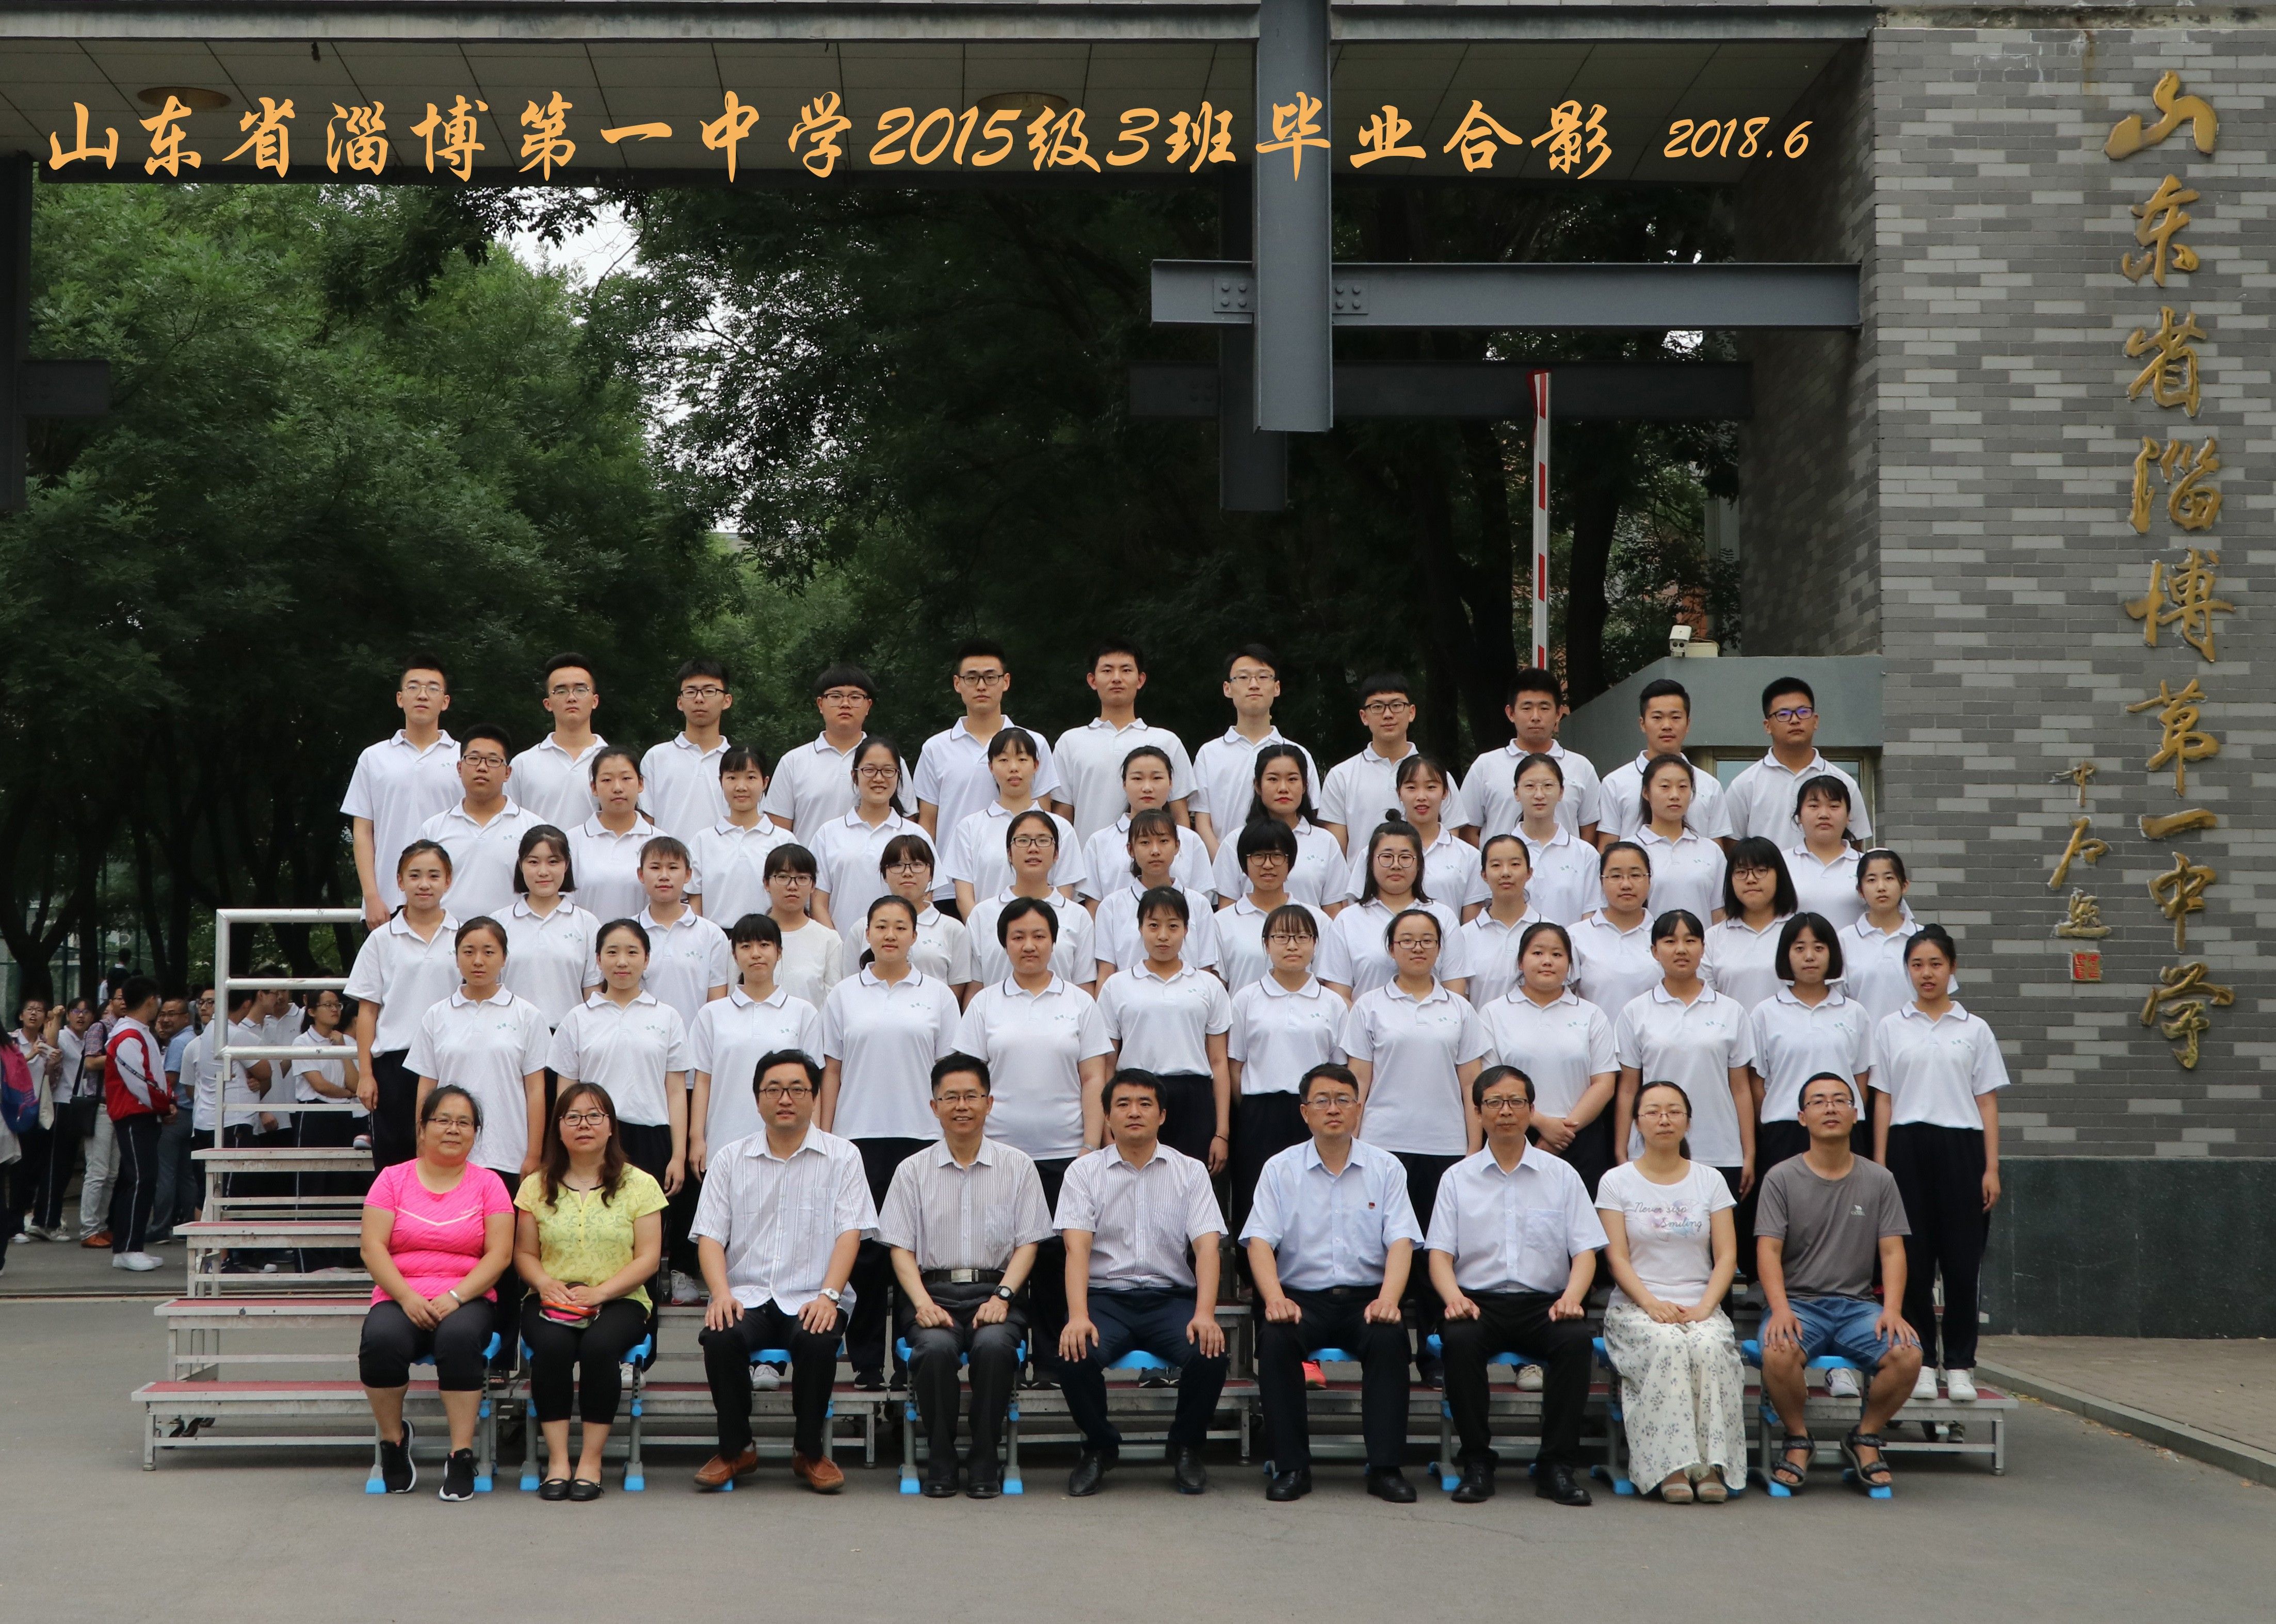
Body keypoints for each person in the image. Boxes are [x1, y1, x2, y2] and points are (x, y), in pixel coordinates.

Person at [691, 1049, 874, 1494]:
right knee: (720, 1335)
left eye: (796, 1089)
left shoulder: (843, 1157)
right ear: (757, 1099)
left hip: (813, 1292)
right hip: (747, 1292)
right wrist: (720, 1293)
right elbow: (710, 1236)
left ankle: (808, 1452)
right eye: (773, 1089)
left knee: (818, 1338)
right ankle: (736, 1448)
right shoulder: (730, 1158)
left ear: (814, 1096)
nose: (785, 1098)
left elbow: (850, 1233)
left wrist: (829, 1295)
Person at [1243, 1062, 1422, 1502]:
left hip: (1366, 1297)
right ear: (1304, 1112)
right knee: (1277, 1339)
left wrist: (1389, 1299)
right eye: (1321, 1100)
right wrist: (1274, 1298)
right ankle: (1291, 1467)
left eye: (1343, 1099)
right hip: (1301, 1298)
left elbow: (1402, 1240)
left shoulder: (1386, 1167)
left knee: (1388, 1339)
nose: (1333, 1108)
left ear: (1358, 1108)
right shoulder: (1280, 1169)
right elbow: (1259, 1241)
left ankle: (1385, 1467)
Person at [1428, 1066, 1606, 1505]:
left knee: (1574, 1341)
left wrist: (1572, 1298)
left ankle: (1556, 1466)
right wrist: (1453, 1298)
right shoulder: (1457, 1178)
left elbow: (1585, 1251)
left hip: (1546, 1303)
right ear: (1477, 1112)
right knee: (1459, 1339)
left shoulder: (1561, 1175)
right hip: (1478, 1301)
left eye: (1515, 1101)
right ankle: (1476, 1462)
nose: (1505, 1111)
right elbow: (1439, 1255)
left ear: (1531, 1109)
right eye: (1494, 1102)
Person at [881, 1054, 1055, 1498]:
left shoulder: (1018, 1166)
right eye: (951, 1097)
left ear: (989, 1102)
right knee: (935, 1349)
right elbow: (900, 1248)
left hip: (995, 1290)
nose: (962, 1106)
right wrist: (922, 1303)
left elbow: (1028, 1243)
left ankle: (984, 1455)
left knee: (995, 1346)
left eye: (971, 1096)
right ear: (934, 1106)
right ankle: (939, 1457)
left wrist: (1003, 1295)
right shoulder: (911, 1171)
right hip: (932, 1290)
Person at [1054, 1070, 1231, 1496]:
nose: (1134, 1112)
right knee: (1074, 1353)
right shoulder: (1083, 1172)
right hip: (1105, 1299)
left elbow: (1207, 1248)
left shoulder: (1189, 1171)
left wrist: (1205, 1313)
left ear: (1162, 1115)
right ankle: (1099, 1447)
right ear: (1107, 1116)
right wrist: (1077, 1315)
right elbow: (1076, 1249)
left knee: (1209, 1352)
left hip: (1169, 1299)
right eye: (1122, 1104)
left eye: (1145, 1103)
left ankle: (1185, 1446)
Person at [954, 896, 1111, 1372]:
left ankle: (1049, 1362)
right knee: (1001, 1257)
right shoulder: (984, 1004)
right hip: (998, 1155)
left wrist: (1090, 1146)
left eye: (1039, 935)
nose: (1029, 945)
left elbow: (1093, 1078)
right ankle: (999, 1360)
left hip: (1065, 1154)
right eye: (1018, 936)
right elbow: (968, 1080)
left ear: (1054, 941)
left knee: (1054, 1260)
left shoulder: (1079, 1002)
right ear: (1003, 943)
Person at [818, 895, 962, 1388]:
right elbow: (831, 1071)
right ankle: (865, 1364)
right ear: (867, 933)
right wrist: (828, 1135)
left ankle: (909, 1361)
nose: (890, 934)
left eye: (900, 926)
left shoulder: (938, 995)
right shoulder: (844, 995)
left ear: (915, 935)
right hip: (857, 1137)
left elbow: (948, 1073)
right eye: (881, 925)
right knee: (863, 1252)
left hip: (921, 1137)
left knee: (912, 1251)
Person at [1755, 1074, 1922, 1494]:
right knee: (1777, 1351)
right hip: (1799, 1304)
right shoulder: (1780, 1177)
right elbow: (1768, 1251)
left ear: (1854, 1112)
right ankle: (1797, 1438)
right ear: (1801, 1116)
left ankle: (1865, 1435)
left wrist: (1892, 1310)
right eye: (1818, 1101)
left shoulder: (1879, 1179)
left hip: (1857, 1307)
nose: (1829, 1108)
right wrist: (1780, 1309)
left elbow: (1892, 1251)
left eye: (1839, 1100)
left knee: (1907, 1353)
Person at [1343, 907, 1489, 1379]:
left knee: (1434, 1254)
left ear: (1440, 949)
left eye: (1426, 939)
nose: (1417, 947)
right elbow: (1358, 1082)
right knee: (1379, 1248)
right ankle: (1376, 1348)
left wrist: (1473, 1150)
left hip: (1444, 1146)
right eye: (1406, 939)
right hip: (1381, 1144)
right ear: (1391, 948)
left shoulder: (1459, 1009)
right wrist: (1351, 1143)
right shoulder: (1369, 1006)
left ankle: (1433, 1354)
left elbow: (1472, 1085)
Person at [359, 1085, 515, 1500]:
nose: (453, 1129)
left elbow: (499, 1254)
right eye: (443, 1120)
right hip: (400, 1294)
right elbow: (372, 1247)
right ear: (422, 1128)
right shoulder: (392, 1179)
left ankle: (461, 1454)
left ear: (475, 1133)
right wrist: (407, 1297)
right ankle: (393, 1442)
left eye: (464, 1122)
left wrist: (457, 1296)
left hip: (467, 1296)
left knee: (459, 1338)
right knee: (381, 1340)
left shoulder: (490, 1184)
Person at [514, 1082, 667, 1501]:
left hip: (620, 1298)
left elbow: (648, 1258)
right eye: (573, 1117)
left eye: (595, 1116)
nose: (584, 1125)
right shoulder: (535, 1186)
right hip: (551, 1297)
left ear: (611, 1126)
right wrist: (545, 1283)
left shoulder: (640, 1184)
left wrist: (601, 1293)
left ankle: (591, 1460)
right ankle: (558, 1460)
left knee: (600, 1346)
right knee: (551, 1346)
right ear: (559, 1128)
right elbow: (524, 1253)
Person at [1871, 925, 2005, 1404]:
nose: (1926, 973)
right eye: (1916, 965)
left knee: (1962, 1263)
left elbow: (1986, 1102)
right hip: (1906, 1148)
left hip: (1962, 1149)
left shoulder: (1974, 1028)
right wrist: (1881, 1164)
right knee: (1912, 1262)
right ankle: (1923, 1361)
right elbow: (1883, 1099)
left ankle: (1961, 1364)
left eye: (1935, 964)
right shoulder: (1890, 1027)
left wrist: (1990, 1168)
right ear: (1906, 970)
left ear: (1952, 968)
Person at [1595, 1080, 1746, 1503]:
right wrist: (1650, 1303)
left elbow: (1727, 1255)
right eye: (1653, 1111)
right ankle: (1670, 1466)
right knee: (1667, 1345)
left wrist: (1705, 1306)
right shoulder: (1616, 1181)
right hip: (1636, 1306)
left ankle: (1710, 1465)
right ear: (1637, 1121)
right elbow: (1616, 1258)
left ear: (1688, 1121)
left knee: (1709, 1346)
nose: (1664, 1119)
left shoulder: (1710, 1180)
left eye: (1674, 1111)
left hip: (1699, 1302)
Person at [407, 918, 552, 1356]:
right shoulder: (437, 1015)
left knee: (504, 1260)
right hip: (449, 1159)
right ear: (456, 958)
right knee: (452, 1252)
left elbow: (536, 1089)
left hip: (506, 1155)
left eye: (489, 951)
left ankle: (504, 1356)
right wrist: (422, 1145)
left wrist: (533, 1153)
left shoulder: (526, 1015)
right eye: (468, 951)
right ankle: (454, 1347)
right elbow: (426, 1086)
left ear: (504, 957)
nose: (478, 960)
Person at [548, 920, 688, 1294]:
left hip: (651, 1137)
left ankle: (641, 1322)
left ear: (647, 959)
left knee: (644, 1240)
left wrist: (678, 1154)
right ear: (598, 959)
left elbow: (676, 1090)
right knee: (596, 1230)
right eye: (612, 952)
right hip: (591, 1137)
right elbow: (565, 1092)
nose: (622, 961)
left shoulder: (667, 1016)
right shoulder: (578, 1018)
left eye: (632, 952)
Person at [1613, 911, 1756, 1219]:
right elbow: (1628, 1089)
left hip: (1720, 1150)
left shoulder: (1731, 1011)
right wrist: (1622, 1150)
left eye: (1690, 941)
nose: (1681, 949)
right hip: (1652, 1149)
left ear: (1703, 948)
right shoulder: (1635, 1012)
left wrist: (1748, 1153)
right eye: (1670, 941)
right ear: (1655, 951)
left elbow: (1741, 1088)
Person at [1225, 906, 1349, 1229]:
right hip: (1259, 1113)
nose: (1292, 946)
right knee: (1256, 1199)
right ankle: (1253, 1263)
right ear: (1266, 944)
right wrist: (1250, 1109)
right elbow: (1235, 1065)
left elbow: (1340, 1069)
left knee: (1314, 1199)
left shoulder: (1332, 1002)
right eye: (1281, 937)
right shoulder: (1246, 999)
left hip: (1316, 1113)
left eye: (1302, 937)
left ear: (1315, 944)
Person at [915, 640, 1062, 903]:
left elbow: (1043, 814)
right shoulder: (935, 749)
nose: (981, 686)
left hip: (1024, 883)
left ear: (1006, 682)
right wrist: (927, 887)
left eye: (990, 677)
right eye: (972, 678)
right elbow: (928, 824)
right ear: (957, 684)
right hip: (951, 885)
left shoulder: (1034, 744)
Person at [1095, 888, 1233, 1169]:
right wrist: (1106, 1126)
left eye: (1173, 926)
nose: (1163, 936)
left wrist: (1222, 1132)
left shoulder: (1208, 986)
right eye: (1153, 926)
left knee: (1190, 1182)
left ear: (1186, 930)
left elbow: (1219, 1062)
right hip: (1136, 1095)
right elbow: (1107, 1062)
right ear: (1140, 929)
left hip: (1193, 1098)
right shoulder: (1117, 986)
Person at [346, 841, 461, 1170]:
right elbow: (368, 1011)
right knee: (395, 1159)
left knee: (448, 1154)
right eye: (414, 876)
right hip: (395, 1064)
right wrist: (366, 1074)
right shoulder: (381, 940)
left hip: (450, 1059)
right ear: (399, 881)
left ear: (448, 881)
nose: (424, 884)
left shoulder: (463, 936)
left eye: (434, 876)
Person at [1479, 922, 1618, 1194]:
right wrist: (1542, 1124)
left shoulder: (1591, 1014)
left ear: (1570, 964)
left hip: (1579, 1136)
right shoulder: (1493, 1013)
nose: (1547, 961)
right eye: (1537, 953)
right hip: (1514, 1133)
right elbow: (1490, 1081)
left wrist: (1562, 1133)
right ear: (1520, 962)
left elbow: (1604, 1083)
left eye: (1557, 954)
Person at [690, 913, 825, 1173]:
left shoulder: (803, 1013)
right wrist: (697, 1138)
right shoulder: (712, 1014)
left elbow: (812, 1084)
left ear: (779, 952)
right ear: (734, 955)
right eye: (746, 946)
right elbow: (703, 1081)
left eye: (764, 945)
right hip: (724, 1141)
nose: (756, 954)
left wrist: (814, 1139)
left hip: (789, 1145)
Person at [1751, 916, 1871, 1184]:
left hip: (1842, 1128)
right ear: (1786, 955)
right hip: (1784, 1128)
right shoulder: (1765, 1013)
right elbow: (1757, 1083)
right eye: (1799, 948)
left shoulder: (1854, 1012)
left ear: (1832, 953)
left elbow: (1861, 1079)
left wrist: (1842, 1113)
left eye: (1819, 948)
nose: (1809, 957)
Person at [343, 656, 461, 928]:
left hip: (451, 905)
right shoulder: (374, 758)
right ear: (400, 698)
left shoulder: (464, 759)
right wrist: (372, 897)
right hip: (385, 904)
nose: (422, 695)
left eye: (433, 688)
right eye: (413, 687)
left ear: (445, 701)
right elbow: (362, 832)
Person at [1050, 639, 1198, 845]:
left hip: (1154, 859)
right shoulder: (1070, 742)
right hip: (1088, 859)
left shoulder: (1167, 741)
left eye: (1126, 670)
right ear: (1092, 680)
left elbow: (1180, 815)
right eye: (1107, 671)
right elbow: (1062, 815)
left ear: (1140, 680)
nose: (1117, 678)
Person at [1189, 644, 1322, 859]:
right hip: (1225, 866)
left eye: (1263, 677)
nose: (1254, 685)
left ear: (1277, 688)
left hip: (1287, 865)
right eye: (1243, 677)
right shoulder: (1209, 754)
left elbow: (1310, 816)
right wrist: (1225, 864)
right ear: (1227, 688)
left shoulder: (1297, 754)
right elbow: (1203, 822)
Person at [1321, 673, 1467, 853]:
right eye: (1377, 707)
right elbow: (1336, 855)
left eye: (1397, 705)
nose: (1388, 714)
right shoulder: (1341, 776)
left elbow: (1451, 849)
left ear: (1411, 712)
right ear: (1364, 717)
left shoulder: (1438, 777)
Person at [944, 729, 1084, 915]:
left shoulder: (1061, 828)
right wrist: (984, 931)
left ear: (1036, 765)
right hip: (987, 931)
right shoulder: (969, 828)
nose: (1013, 768)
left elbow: (1064, 896)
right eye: (1004, 760)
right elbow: (964, 898)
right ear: (991, 767)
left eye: (1022, 759)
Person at [1325, 822, 1467, 998]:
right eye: (1387, 857)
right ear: (1370, 863)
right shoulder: (1347, 920)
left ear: (1419, 864)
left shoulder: (1443, 916)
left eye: (1405, 858)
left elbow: (1455, 992)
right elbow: (1339, 996)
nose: (1396, 865)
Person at [1724, 677, 1873, 845]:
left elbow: (1855, 845)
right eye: (1783, 714)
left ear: (1815, 721)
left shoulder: (1844, 783)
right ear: (1768, 726)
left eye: (1803, 712)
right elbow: (1732, 848)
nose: (1795, 720)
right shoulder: (1745, 785)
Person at [1462, 668, 1600, 845]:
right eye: (1527, 708)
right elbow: (1468, 831)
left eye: (1544, 708)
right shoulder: (1485, 766)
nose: (1535, 717)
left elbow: (1589, 832)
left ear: (1558, 713)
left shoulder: (1581, 767)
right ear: (1511, 713)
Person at [1589, 678, 1732, 847]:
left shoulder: (1710, 786)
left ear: (1688, 724)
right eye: (1657, 717)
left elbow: (1717, 849)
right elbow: (1607, 847)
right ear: (1642, 724)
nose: (1667, 726)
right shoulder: (1615, 783)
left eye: (1676, 717)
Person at [419, 724, 540, 922]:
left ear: (508, 773)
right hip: (448, 936)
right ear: (459, 768)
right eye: (473, 759)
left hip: (513, 935)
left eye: (493, 761)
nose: (482, 768)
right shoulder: (433, 829)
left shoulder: (533, 829)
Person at [811, 734, 921, 951]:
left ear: (899, 776)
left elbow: (925, 899)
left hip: (901, 955)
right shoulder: (828, 834)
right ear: (855, 776)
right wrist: (841, 950)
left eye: (888, 771)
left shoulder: (916, 835)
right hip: (840, 952)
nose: (879, 778)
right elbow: (818, 902)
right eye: (869, 770)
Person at [965, 812, 1099, 989]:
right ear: (1009, 854)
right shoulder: (982, 914)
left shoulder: (1078, 916)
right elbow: (975, 989)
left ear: (1056, 853)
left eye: (1043, 840)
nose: (1033, 848)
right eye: (1023, 841)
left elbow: (1084, 989)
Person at [1204, 741, 1346, 908]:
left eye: (1292, 779)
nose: (1283, 788)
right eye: (1273, 779)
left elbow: (1333, 912)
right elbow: (1227, 911)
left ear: (1305, 786)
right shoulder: (1235, 842)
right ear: (1258, 786)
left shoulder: (1326, 842)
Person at [1341, 754, 1485, 915]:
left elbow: (1470, 923)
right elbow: (1359, 913)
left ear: (1445, 792)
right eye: (1411, 788)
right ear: (1399, 793)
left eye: (1431, 787)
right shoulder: (1375, 853)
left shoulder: (1468, 856)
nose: (1421, 797)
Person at [1214, 821, 1348, 993]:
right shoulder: (1222, 922)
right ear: (1244, 862)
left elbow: (1328, 986)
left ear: (1290, 862)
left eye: (1277, 856)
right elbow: (1218, 989)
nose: (1268, 865)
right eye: (1258, 856)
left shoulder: (1318, 920)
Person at [762, 665, 895, 834]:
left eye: (855, 697)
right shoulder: (793, 762)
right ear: (820, 704)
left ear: (868, 706)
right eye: (836, 696)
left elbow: (905, 827)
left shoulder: (889, 763)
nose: (845, 704)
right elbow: (778, 834)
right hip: (808, 853)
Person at [1093, 810, 1223, 977]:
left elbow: (1205, 972)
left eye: (1163, 841)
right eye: (1145, 842)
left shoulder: (1199, 904)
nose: (1155, 851)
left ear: (1177, 846)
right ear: (1131, 849)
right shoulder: (1111, 906)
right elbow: (1106, 973)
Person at [1079, 745, 1213, 907]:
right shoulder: (1099, 842)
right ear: (1124, 783)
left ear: (1171, 783)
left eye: (1157, 778)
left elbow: (1200, 905)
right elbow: (1094, 908)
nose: (1147, 788)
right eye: (1137, 779)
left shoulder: (1190, 840)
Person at [501, 826, 603, 1036]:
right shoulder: (499, 923)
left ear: (567, 865)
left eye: (553, 862)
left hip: (568, 1038)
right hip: (511, 1037)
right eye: (533, 862)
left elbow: (592, 994)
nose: (543, 872)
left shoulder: (587, 924)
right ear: (520, 865)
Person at [100, 977, 171, 1272]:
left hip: (144, 1114)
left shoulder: (140, 1033)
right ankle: (129, 1247)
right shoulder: (128, 1036)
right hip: (133, 1116)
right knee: (141, 1178)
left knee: (138, 1179)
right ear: (151, 1000)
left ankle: (129, 1246)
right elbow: (141, 1082)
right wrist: (165, 1104)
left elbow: (153, 1077)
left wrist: (165, 1102)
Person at [289, 991, 365, 1263]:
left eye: (337, 1005)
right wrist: (348, 1094)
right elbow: (319, 1085)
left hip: (344, 1116)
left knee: (341, 1186)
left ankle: (340, 1258)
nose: (335, 1010)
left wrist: (342, 1048)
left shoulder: (348, 1041)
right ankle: (310, 1260)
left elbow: (356, 1083)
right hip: (314, 1115)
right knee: (313, 1185)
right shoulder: (302, 1042)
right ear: (311, 1011)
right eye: (328, 1005)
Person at [633, 837, 732, 1031]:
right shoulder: (627, 933)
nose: (664, 876)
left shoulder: (712, 935)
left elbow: (716, 1005)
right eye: (655, 868)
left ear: (688, 875)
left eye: (673, 868)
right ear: (641, 875)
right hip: (640, 1042)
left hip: (694, 1042)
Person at [689, 745, 793, 928]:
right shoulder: (703, 841)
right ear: (721, 781)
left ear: (765, 782)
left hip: (770, 938)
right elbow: (695, 902)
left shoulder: (784, 841)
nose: (741, 787)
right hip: (717, 939)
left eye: (751, 777)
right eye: (732, 778)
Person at [509, 653, 610, 832]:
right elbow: (510, 823)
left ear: (595, 701)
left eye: (580, 690)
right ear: (548, 704)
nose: (571, 698)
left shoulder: (614, 763)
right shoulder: (523, 764)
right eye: (561, 691)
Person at [639, 658, 735, 843]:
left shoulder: (739, 764)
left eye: (709, 691)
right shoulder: (656, 758)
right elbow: (645, 824)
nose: (699, 699)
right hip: (668, 859)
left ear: (727, 701)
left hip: (724, 860)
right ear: (680, 702)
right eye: (691, 692)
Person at [1702, 838, 1798, 1014]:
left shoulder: (1799, 932)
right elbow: (1706, 1002)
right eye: (1741, 872)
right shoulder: (1713, 938)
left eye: (1761, 871)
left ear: (1780, 875)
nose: (1751, 879)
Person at [567, 748, 661, 925]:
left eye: (626, 779)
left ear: (641, 784)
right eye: (607, 780)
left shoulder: (659, 843)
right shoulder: (572, 842)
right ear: (594, 787)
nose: (617, 788)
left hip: (642, 941)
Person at [1570, 842, 1660, 1019]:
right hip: (1595, 1035)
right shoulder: (1577, 936)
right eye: (1616, 876)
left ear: (1649, 880)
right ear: (1601, 881)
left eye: (1636, 875)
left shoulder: (1664, 936)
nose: (1626, 885)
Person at [878, 834, 977, 994]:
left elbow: (954, 993)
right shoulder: (864, 928)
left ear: (931, 874)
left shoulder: (952, 929)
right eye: (897, 865)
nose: (907, 873)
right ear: (885, 874)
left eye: (917, 865)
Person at [1508, 752, 1600, 925]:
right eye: (1530, 786)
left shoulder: (1585, 854)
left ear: (1561, 792)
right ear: (1516, 793)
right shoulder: (1500, 854)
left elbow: (1590, 919)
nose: (1539, 795)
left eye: (1548, 785)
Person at [1632, 754, 1724, 926]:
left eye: (1683, 787)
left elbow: (1719, 915)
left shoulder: (1711, 851)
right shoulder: (1630, 850)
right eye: (1665, 787)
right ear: (1646, 792)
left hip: (1701, 943)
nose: (1675, 795)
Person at [1843, 850, 1933, 1022]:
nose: (1881, 887)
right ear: (1860, 891)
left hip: (1915, 1037)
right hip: (1862, 1037)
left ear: (1904, 885)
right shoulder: (1845, 940)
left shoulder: (1925, 939)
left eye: (1889, 878)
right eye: (1871, 880)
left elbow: (1939, 999)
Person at [1457, 834, 1544, 1006]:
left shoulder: (1548, 932)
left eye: (1515, 864)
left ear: (1529, 873)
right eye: (1496, 865)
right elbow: (1461, 1002)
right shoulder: (1464, 936)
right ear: (1484, 875)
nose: (1506, 873)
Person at [761, 845, 846, 1005]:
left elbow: (833, 1003)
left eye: (802, 878)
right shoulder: (749, 938)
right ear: (766, 883)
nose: (792, 886)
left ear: (813, 886)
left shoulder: (829, 940)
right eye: (783, 877)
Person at [6, 999, 57, 1242]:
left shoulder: (46, 1043)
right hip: (13, 1112)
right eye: (30, 1010)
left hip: (37, 1112)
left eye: (39, 1011)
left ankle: (21, 1219)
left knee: (31, 1170)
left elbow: (51, 1081)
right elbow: (8, 1072)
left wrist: (53, 1064)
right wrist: (30, 1055)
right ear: (21, 1016)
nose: (34, 1014)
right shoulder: (11, 1041)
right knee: (16, 1170)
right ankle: (14, 1227)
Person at [1786, 776, 1866, 928]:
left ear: (1848, 816)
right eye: (1814, 806)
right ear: (1799, 816)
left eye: (1834, 806)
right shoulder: (1781, 863)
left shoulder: (1867, 865)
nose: (1824, 814)